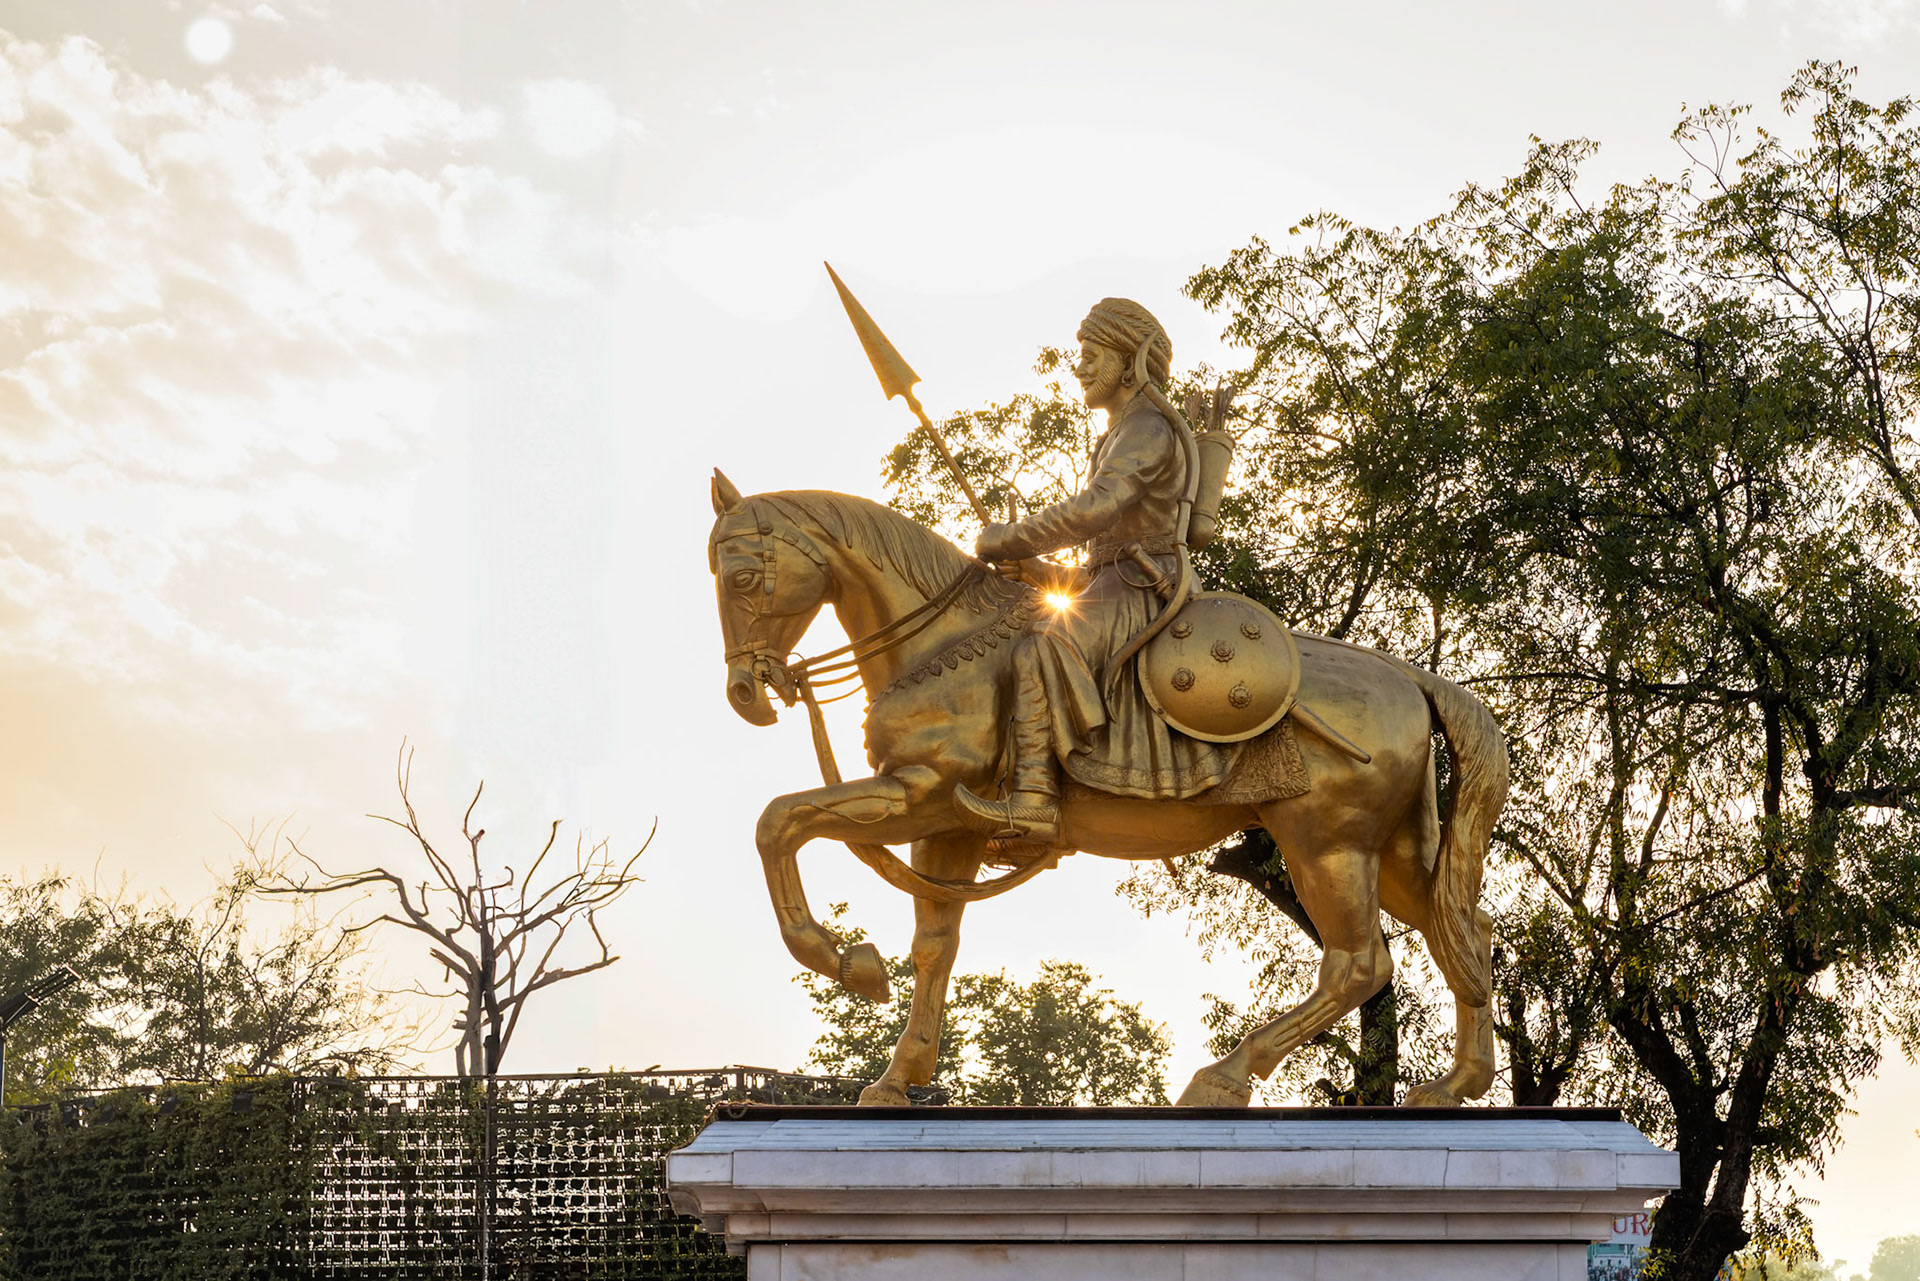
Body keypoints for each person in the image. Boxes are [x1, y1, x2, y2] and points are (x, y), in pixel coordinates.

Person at [952, 298, 1232, 846]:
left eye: (1089, 354)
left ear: (1128, 362)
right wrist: (1034, 568)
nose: (1078, 366)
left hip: (1147, 587)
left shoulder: (1148, 426)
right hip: (1122, 580)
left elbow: (1095, 511)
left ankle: (1034, 799)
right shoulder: (1124, 428)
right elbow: (1102, 563)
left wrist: (1004, 537)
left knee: (1041, 648)